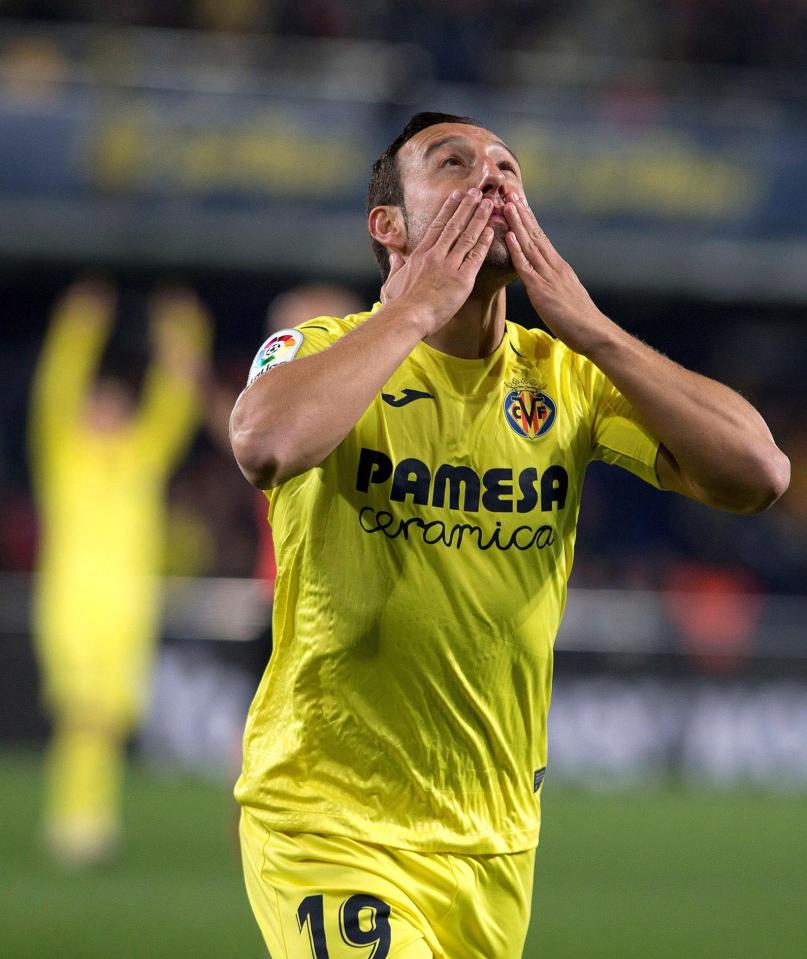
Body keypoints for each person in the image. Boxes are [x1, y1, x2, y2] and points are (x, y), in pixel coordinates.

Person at [229, 112, 789, 958]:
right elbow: (266, 443)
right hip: (331, 821)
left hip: (494, 841)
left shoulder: (563, 376)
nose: (490, 178)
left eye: (506, 168)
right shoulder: (316, 349)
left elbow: (758, 472)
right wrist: (412, 310)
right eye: (453, 164)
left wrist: (591, 327)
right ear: (389, 225)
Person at [29, 278, 211, 866]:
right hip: (70, 603)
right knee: (83, 714)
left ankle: (89, 823)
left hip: (128, 606)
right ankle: (74, 823)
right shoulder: (64, 452)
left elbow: (175, 402)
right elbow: (52, 392)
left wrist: (183, 332)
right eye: (96, 404)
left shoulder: (140, 455)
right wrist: (78, 329)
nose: (103, 413)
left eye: (113, 405)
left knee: (103, 722)